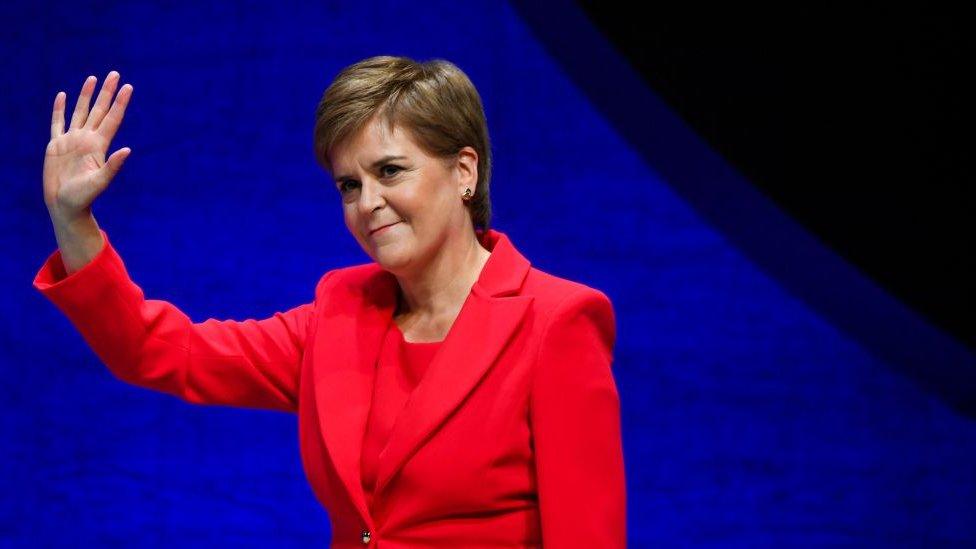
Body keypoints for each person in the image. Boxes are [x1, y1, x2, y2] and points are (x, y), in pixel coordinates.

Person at [34, 56, 626, 548]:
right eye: (349, 184)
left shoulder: (555, 321)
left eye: (390, 171)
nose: (367, 203)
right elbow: (158, 350)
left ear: (464, 171)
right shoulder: (338, 315)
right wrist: (73, 220)